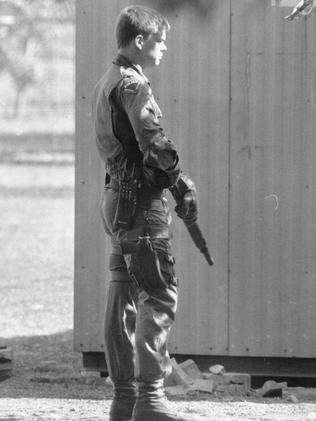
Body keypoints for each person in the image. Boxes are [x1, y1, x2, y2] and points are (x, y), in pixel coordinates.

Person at [91, 5, 203, 421]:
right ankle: (151, 401)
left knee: (121, 297)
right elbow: (155, 144)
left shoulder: (105, 81)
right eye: (161, 41)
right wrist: (181, 185)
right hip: (141, 206)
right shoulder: (134, 85)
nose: (165, 48)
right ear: (140, 41)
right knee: (156, 295)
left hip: (115, 203)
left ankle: (124, 400)